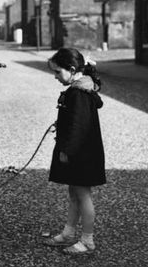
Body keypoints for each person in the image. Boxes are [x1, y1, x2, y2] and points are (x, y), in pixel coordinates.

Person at [43, 48, 106, 255]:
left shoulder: (78, 93)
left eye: (57, 72)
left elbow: (78, 126)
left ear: (71, 69)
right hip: (83, 151)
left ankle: (87, 240)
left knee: (82, 194)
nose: (54, 77)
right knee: (74, 193)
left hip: (80, 153)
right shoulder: (82, 89)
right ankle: (68, 233)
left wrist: (66, 151)